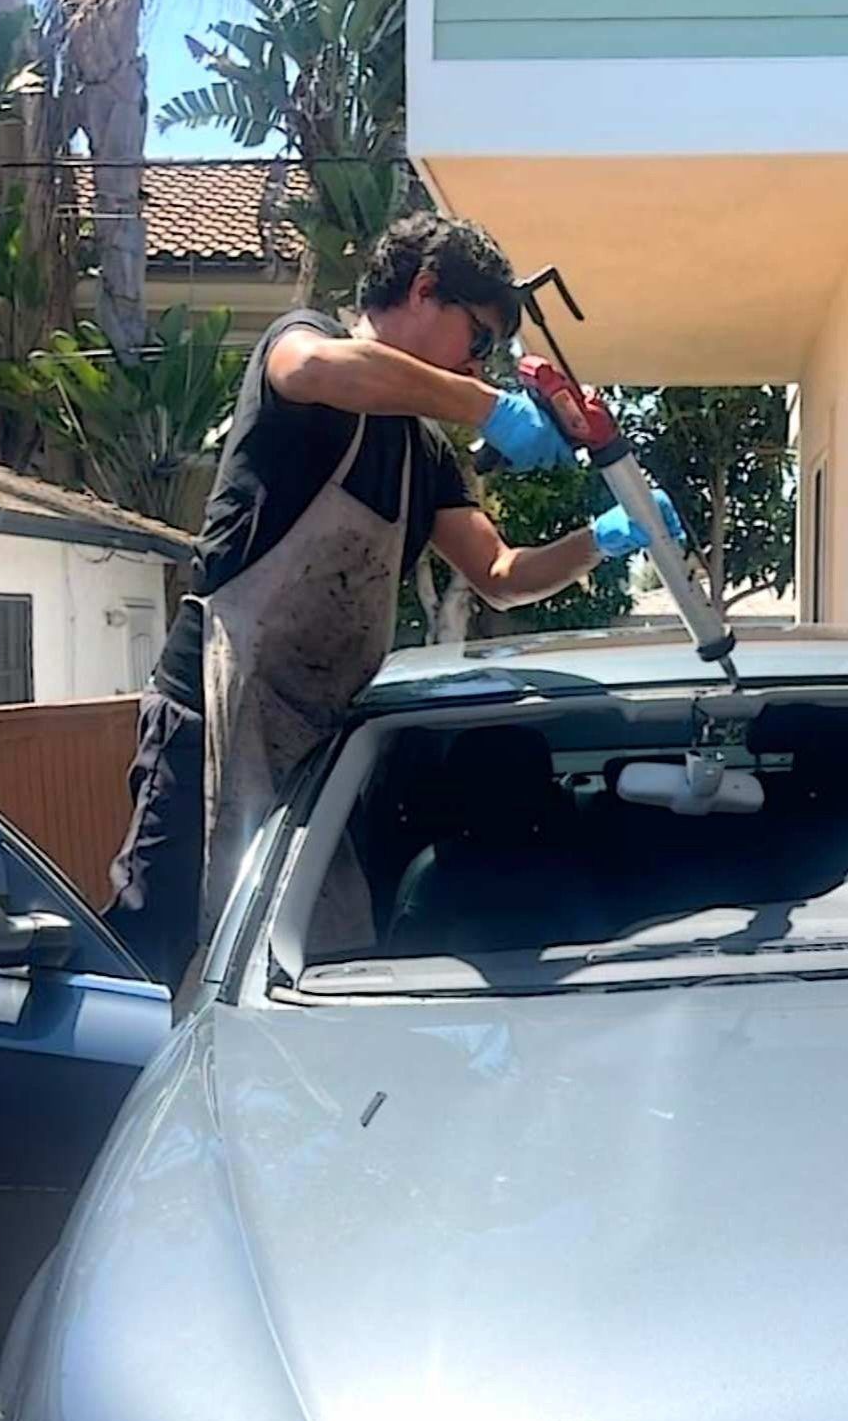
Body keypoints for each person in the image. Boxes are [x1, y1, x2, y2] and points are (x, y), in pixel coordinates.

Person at [102, 211, 680, 987]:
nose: (479, 367)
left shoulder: (419, 451)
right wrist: (489, 409)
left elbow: (499, 572)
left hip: (319, 737)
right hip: (216, 705)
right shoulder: (303, 348)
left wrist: (604, 540)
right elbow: (313, 370)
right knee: (156, 948)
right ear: (424, 287)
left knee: (307, 962)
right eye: (478, 339)